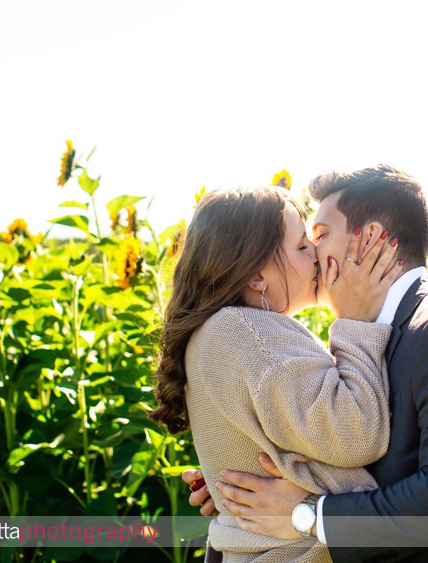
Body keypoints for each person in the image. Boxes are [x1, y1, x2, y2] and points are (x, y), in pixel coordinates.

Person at [185, 165, 428, 562]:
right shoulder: (359, 335)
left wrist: (310, 515)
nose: (314, 252)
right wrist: (239, 477)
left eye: (322, 235)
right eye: (305, 243)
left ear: (370, 240)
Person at [147, 184, 405, 562]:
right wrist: (355, 320)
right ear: (255, 276)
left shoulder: (224, 333)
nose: (317, 255)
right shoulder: (250, 334)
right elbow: (356, 432)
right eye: (302, 246)